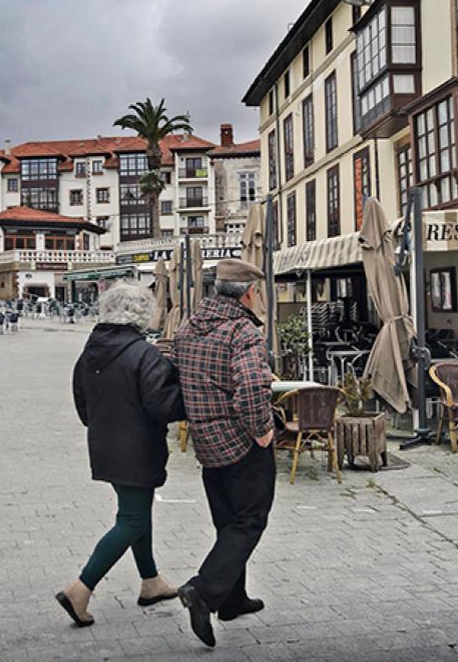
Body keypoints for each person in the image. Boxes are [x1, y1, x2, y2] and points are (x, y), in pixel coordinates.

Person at [56, 281, 186, 627]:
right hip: (138, 448)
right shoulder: (144, 354)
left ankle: (151, 582)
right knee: (132, 519)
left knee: (135, 512)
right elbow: (164, 406)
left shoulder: (90, 352)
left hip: (105, 445)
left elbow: (82, 404)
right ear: (141, 314)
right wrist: (179, 381)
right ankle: (81, 588)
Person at [171, 259, 274, 647]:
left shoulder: (188, 329)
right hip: (242, 443)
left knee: (227, 522)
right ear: (248, 292)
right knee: (249, 522)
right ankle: (205, 590)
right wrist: (262, 431)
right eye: (258, 291)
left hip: (206, 444)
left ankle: (233, 599)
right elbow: (251, 389)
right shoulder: (242, 332)